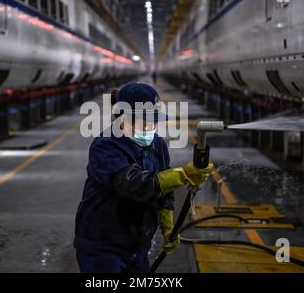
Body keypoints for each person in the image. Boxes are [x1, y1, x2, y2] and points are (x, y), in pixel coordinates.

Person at [74, 82, 213, 273]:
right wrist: (183, 175)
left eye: (154, 121)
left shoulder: (157, 145)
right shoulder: (105, 146)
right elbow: (132, 184)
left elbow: (164, 191)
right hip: (102, 247)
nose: (151, 126)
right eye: (145, 121)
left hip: (137, 245)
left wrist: (167, 225)